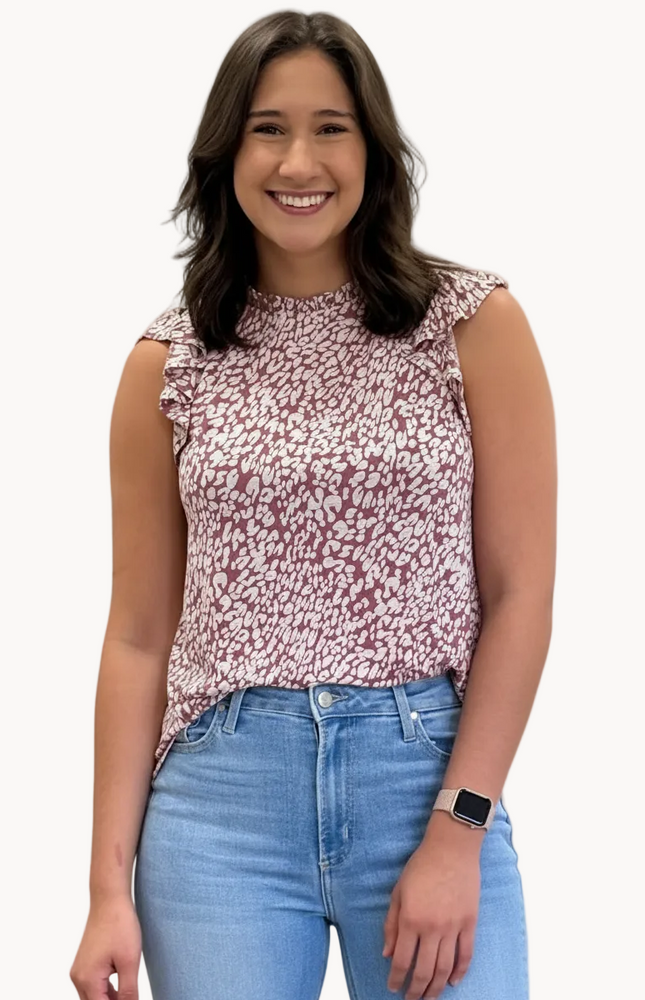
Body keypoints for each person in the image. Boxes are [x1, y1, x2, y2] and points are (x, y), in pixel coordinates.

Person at [70, 11, 556, 1000]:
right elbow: (136, 634)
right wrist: (103, 890)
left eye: (331, 127)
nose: (300, 159)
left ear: (374, 149)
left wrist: (458, 830)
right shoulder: (168, 365)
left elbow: (520, 594)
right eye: (267, 127)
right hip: (219, 808)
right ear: (226, 152)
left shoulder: (472, 326)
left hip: (422, 776)